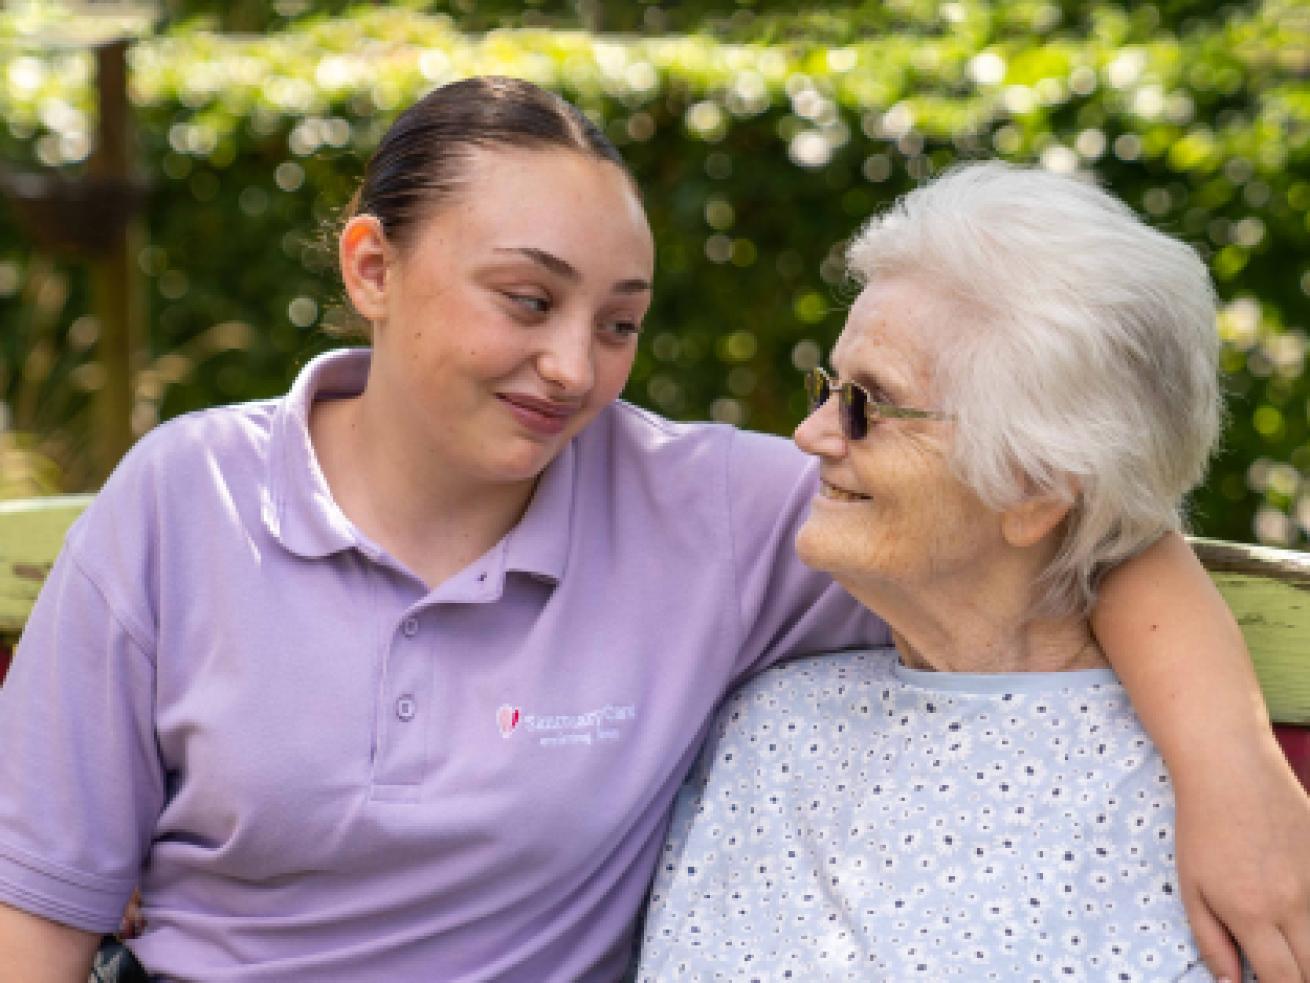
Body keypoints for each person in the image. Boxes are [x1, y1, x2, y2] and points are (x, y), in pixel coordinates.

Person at [0, 77, 1304, 982]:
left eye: (618, 321)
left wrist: (1232, 775)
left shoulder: (715, 516)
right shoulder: (187, 496)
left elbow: (1074, 513)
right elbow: (40, 911)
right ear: (371, 268)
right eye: (525, 298)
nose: (572, 365)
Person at [637, 161, 1300, 980]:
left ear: (1032, 485)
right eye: (829, 385)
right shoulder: (768, 728)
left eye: (867, 405)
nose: (810, 435)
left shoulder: (1192, 810)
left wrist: (1227, 761)